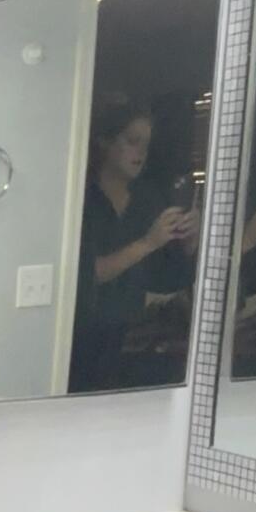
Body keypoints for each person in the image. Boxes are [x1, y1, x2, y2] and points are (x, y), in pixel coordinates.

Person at [69, 97, 196, 392]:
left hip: (135, 344)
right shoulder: (80, 198)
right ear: (105, 142)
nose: (141, 153)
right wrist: (148, 242)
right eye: (132, 141)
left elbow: (168, 279)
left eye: (146, 145)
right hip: (79, 339)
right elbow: (89, 273)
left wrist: (189, 242)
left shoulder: (149, 199)